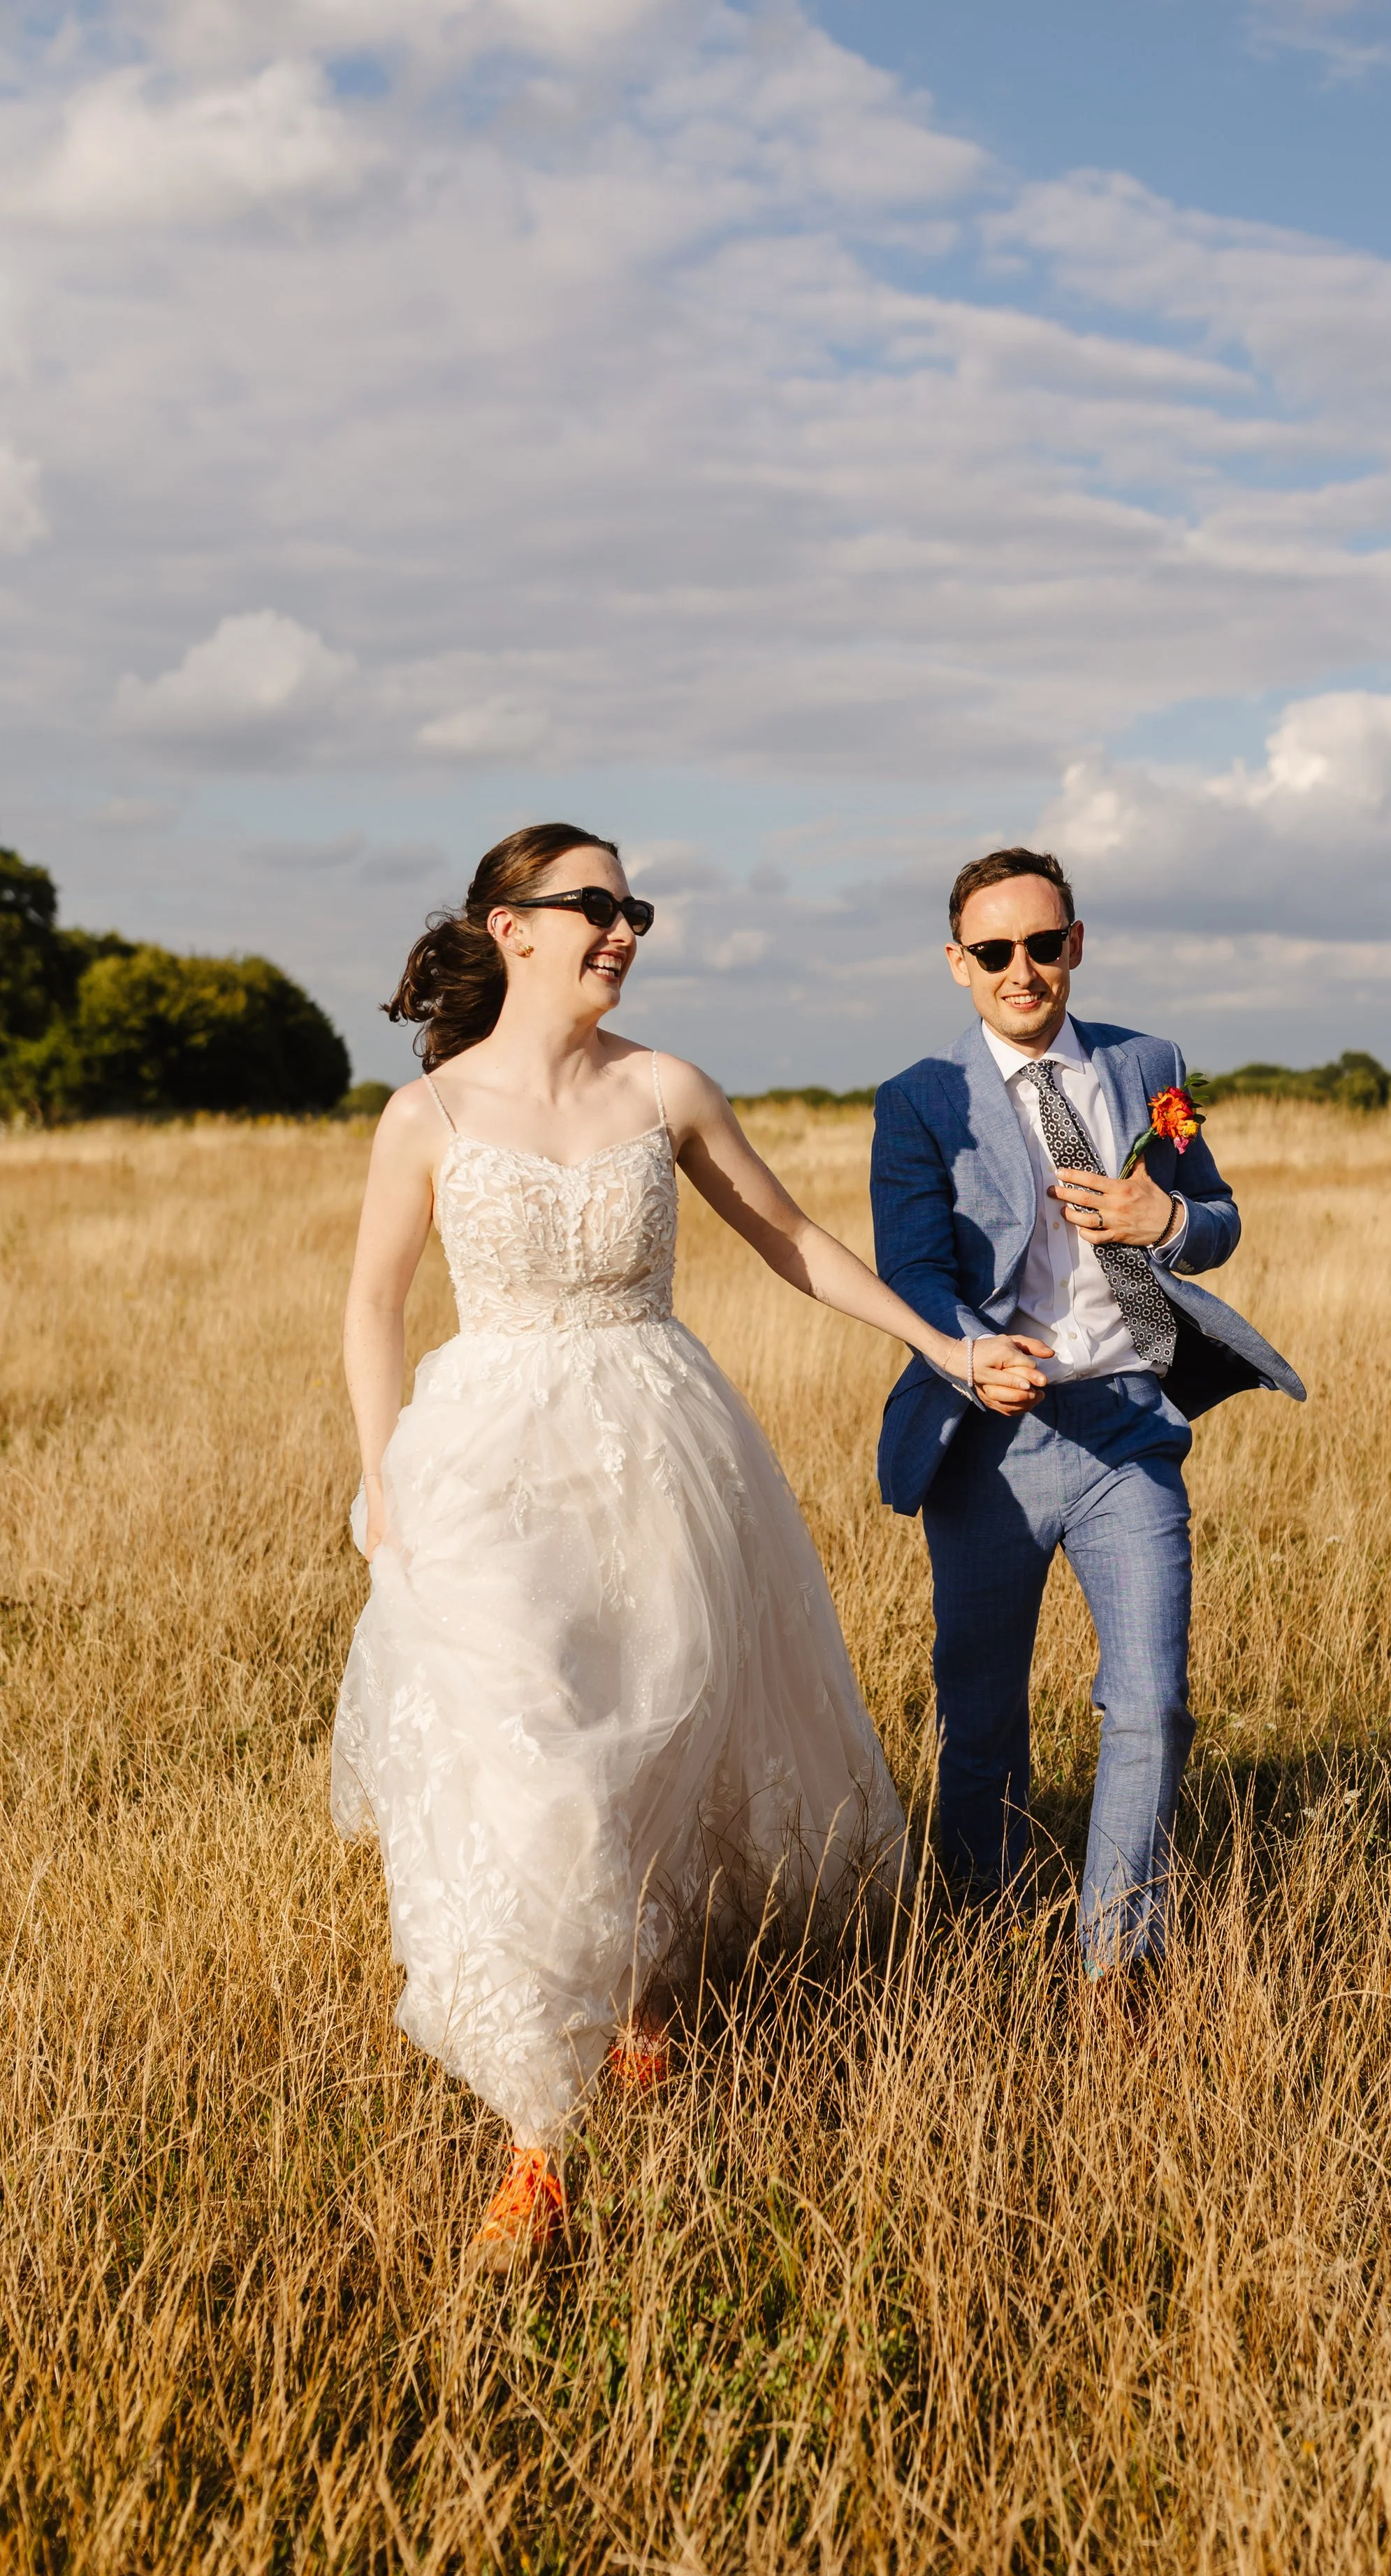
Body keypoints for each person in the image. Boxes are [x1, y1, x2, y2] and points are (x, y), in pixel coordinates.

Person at [331, 821, 1043, 2269]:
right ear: (507, 926)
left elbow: (789, 1239)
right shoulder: (430, 1117)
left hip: (659, 1438)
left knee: (650, 1731)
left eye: (631, 905)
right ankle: (539, 2129)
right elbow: (371, 1304)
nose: (622, 928)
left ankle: (640, 2007)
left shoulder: (663, 1086)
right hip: (483, 1454)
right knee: (531, 1747)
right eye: (591, 905)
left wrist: (946, 1348)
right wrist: (380, 1471)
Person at [871, 847, 1304, 1986]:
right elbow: (909, 1268)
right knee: (981, 1722)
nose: (1026, 971)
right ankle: (983, 1935)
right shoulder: (918, 1100)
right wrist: (968, 1355)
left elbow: (1218, 1219)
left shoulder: (1148, 1064)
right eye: (997, 951)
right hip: (991, 1443)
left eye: (1046, 944)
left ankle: (1120, 1964)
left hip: (1128, 1430)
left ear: (1078, 943)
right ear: (958, 962)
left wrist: (1166, 1216)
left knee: (1154, 1705)